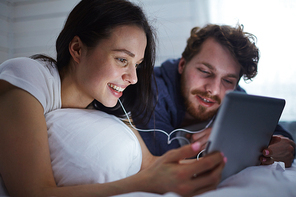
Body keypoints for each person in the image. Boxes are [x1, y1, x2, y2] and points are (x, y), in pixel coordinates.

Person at [0, 1, 227, 197]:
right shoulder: (29, 77)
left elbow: (151, 165)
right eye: (121, 59)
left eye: (137, 64)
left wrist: (230, 160)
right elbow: (33, 192)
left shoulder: (108, 101)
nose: (133, 78)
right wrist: (141, 184)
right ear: (77, 49)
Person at [133, 24, 295, 168]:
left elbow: (282, 139)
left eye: (227, 80)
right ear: (182, 65)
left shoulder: (234, 96)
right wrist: (227, 142)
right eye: (205, 71)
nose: (214, 90)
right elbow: (170, 165)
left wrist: (279, 149)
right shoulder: (150, 89)